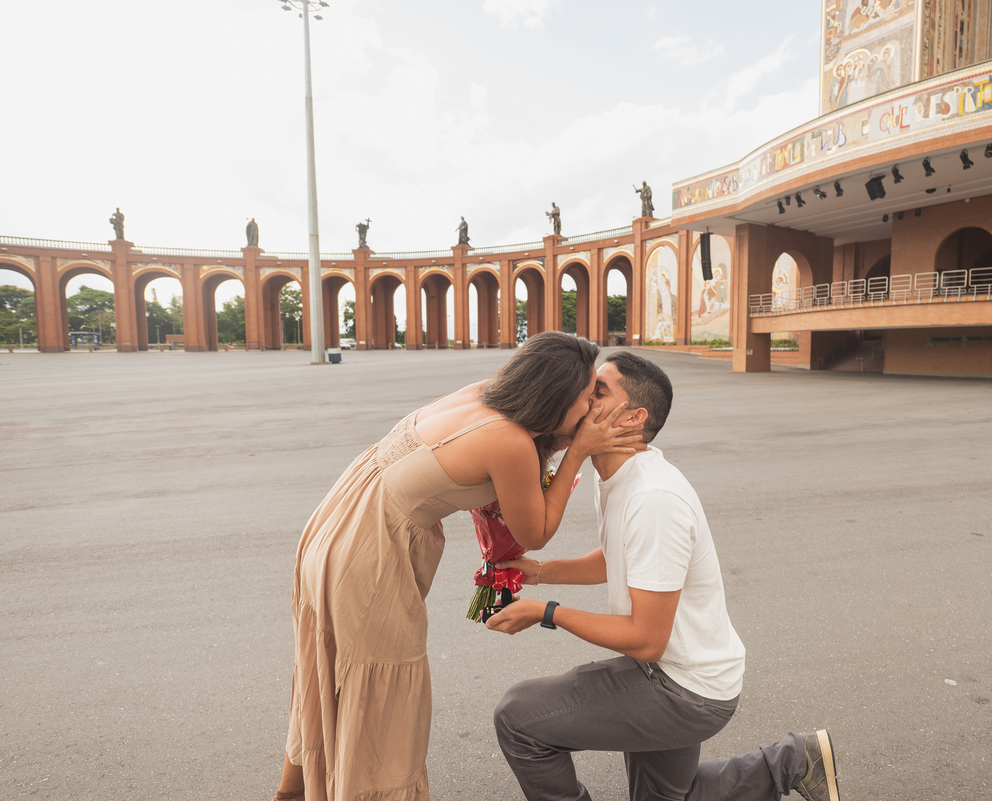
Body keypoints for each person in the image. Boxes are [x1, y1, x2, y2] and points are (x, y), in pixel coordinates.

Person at [271, 331, 643, 801]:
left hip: (336, 523)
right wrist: (578, 452)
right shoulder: (507, 440)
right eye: (589, 395)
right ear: (555, 397)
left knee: (326, 667)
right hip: (366, 555)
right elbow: (536, 532)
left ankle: (291, 792)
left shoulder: (486, 395)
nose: (592, 407)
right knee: (382, 692)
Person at [487, 351, 840, 801]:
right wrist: (539, 572)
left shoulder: (654, 498)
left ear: (633, 418)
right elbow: (619, 557)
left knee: (518, 718)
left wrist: (546, 612)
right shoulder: (620, 475)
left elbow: (647, 638)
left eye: (597, 391)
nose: (581, 397)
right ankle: (795, 760)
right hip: (686, 674)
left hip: (681, 688)